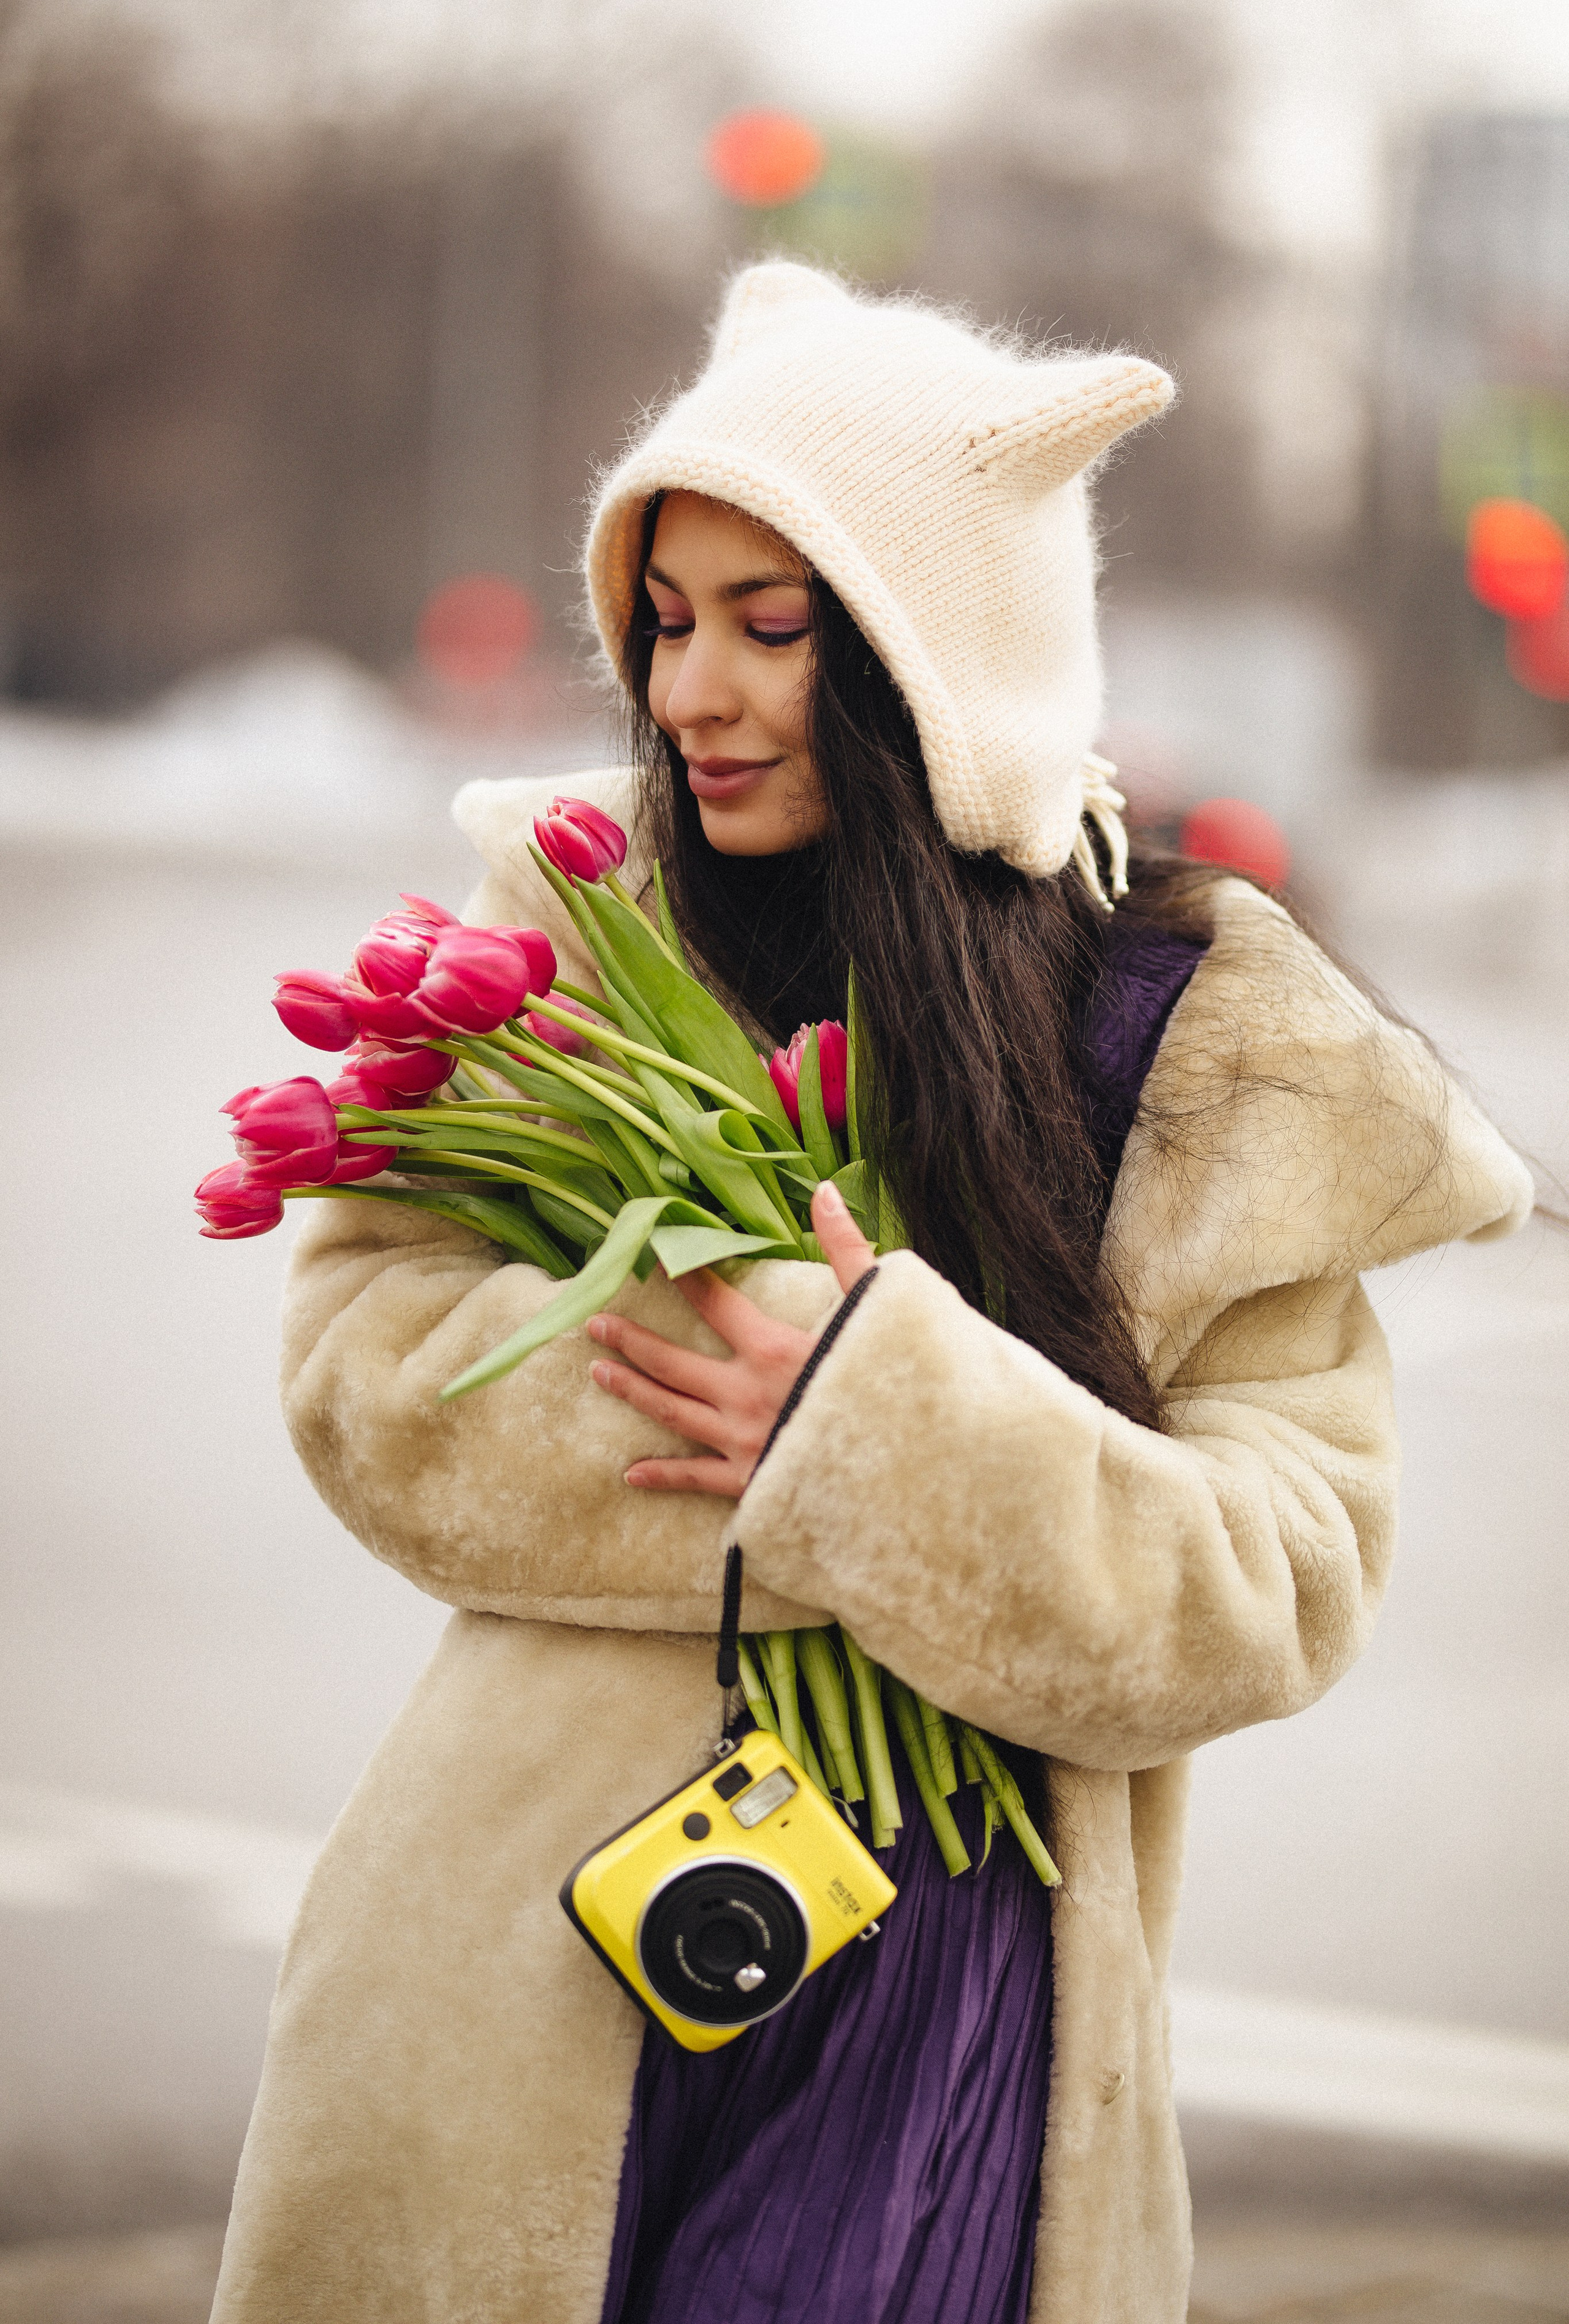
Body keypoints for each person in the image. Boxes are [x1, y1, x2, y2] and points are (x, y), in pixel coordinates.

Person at [210, 263, 1531, 2324]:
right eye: (663, 621)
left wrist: (884, 1443)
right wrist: (771, 1417)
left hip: (949, 2032)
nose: (685, 697)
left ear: (938, 654)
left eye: (771, 626)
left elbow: (1282, 1576)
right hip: (520, 1980)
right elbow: (371, 1375)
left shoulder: (1185, 1042)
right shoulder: (573, 934)